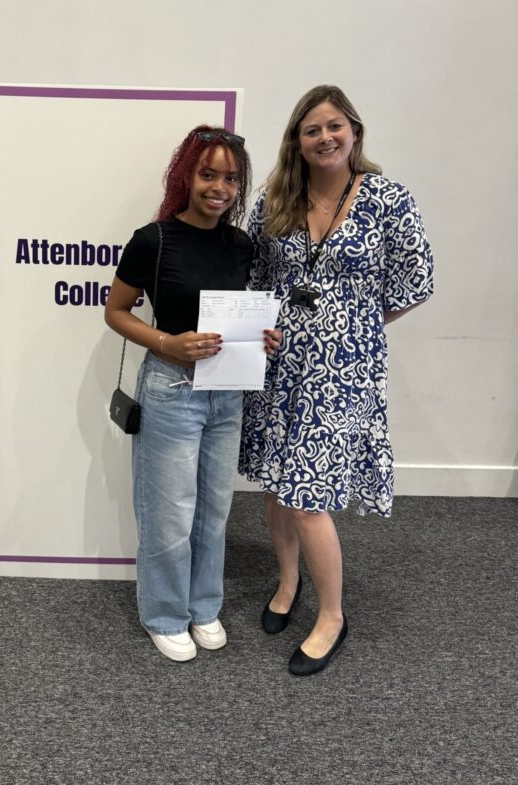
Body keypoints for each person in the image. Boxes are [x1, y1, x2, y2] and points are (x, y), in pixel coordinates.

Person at [240, 85, 434, 675]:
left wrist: (353, 324)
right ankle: (288, 581)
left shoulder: (387, 199)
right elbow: (251, 273)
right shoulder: (273, 199)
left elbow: (416, 280)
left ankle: (332, 616)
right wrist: (262, 324)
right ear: (296, 141)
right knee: (278, 483)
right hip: (280, 362)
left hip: (343, 369)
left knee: (308, 495)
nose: (325, 137)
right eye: (311, 129)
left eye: (334, 126)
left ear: (354, 130)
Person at [105, 126, 280, 662]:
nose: (220, 188)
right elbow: (115, 311)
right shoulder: (152, 240)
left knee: (213, 510)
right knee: (170, 511)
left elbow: (234, 316)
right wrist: (166, 342)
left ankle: (204, 606)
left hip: (227, 392)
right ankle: (163, 612)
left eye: (231, 178)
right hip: (172, 388)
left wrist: (263, 336)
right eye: (209, 175)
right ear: (187, 176)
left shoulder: (242, 245)